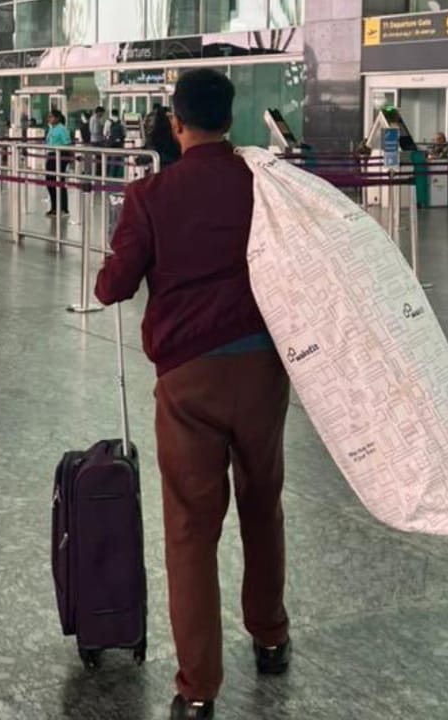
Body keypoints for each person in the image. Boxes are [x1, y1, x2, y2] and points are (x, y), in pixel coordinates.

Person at [94, 68, 291, 720]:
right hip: (263, 371)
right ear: (229, 119)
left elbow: (112, 288)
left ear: (176, 123)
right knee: (262, 504)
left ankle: (198, 688)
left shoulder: (149, 195)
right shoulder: (264, 184)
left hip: (187, 383)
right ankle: (270, 637)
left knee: (189, 530)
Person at [45, 108, 71, 217]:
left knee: (59, 182)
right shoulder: (51, 128)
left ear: (57, 118)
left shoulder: (62, 129)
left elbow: (67, 144)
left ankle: (63, 208)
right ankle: (54, 207)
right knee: (50, 182)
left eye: (51, 117)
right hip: (51, 156)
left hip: (60, 156)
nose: (49, 118)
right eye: (49, 116)